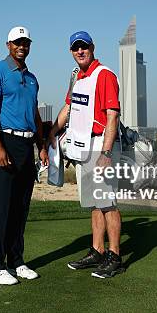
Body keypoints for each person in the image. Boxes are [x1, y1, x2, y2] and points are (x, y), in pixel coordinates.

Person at [46, 31, 123, 279]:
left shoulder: (105, 75)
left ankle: (115, 256)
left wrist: (106, 153)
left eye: (84, 46)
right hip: (82, 146)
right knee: (93, 202)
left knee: (108, 203)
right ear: (71, 51)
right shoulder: (77, 77)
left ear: (92, 47)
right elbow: (68, 108)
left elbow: (113, 116)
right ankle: (97, 251)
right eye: (75, 47)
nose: (80, 51)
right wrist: (52, 132)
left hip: (101, 145)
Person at [0, 26, 48, 285]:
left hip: (26, 146)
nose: (22, 46)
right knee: (2, 207)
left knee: (21, 207)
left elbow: (34, 114)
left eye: (26, 42)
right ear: (8, 45)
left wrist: (41, 145)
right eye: (17, 42)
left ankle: (16, 261)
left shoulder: (31, 78)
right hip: (5, 142)